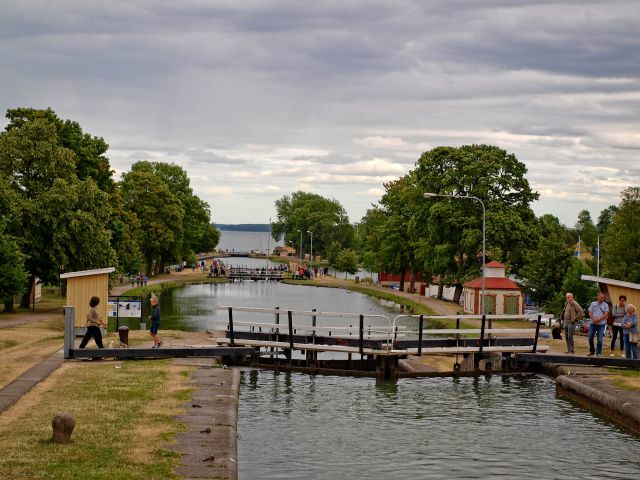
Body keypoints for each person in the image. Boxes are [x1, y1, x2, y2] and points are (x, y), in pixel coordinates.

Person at [587, 291, 609, 356]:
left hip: (601, 324)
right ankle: (592, 351)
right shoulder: (593, 304)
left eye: (603, 298)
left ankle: (598, 353)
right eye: (601, 297)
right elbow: (590, 312)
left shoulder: (605, 305)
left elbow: (606, 314)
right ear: (598, 297)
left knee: (599, 339)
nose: (602, 299)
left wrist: (598, 319)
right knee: (590, 337)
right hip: (592, 323)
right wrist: (594, 319)